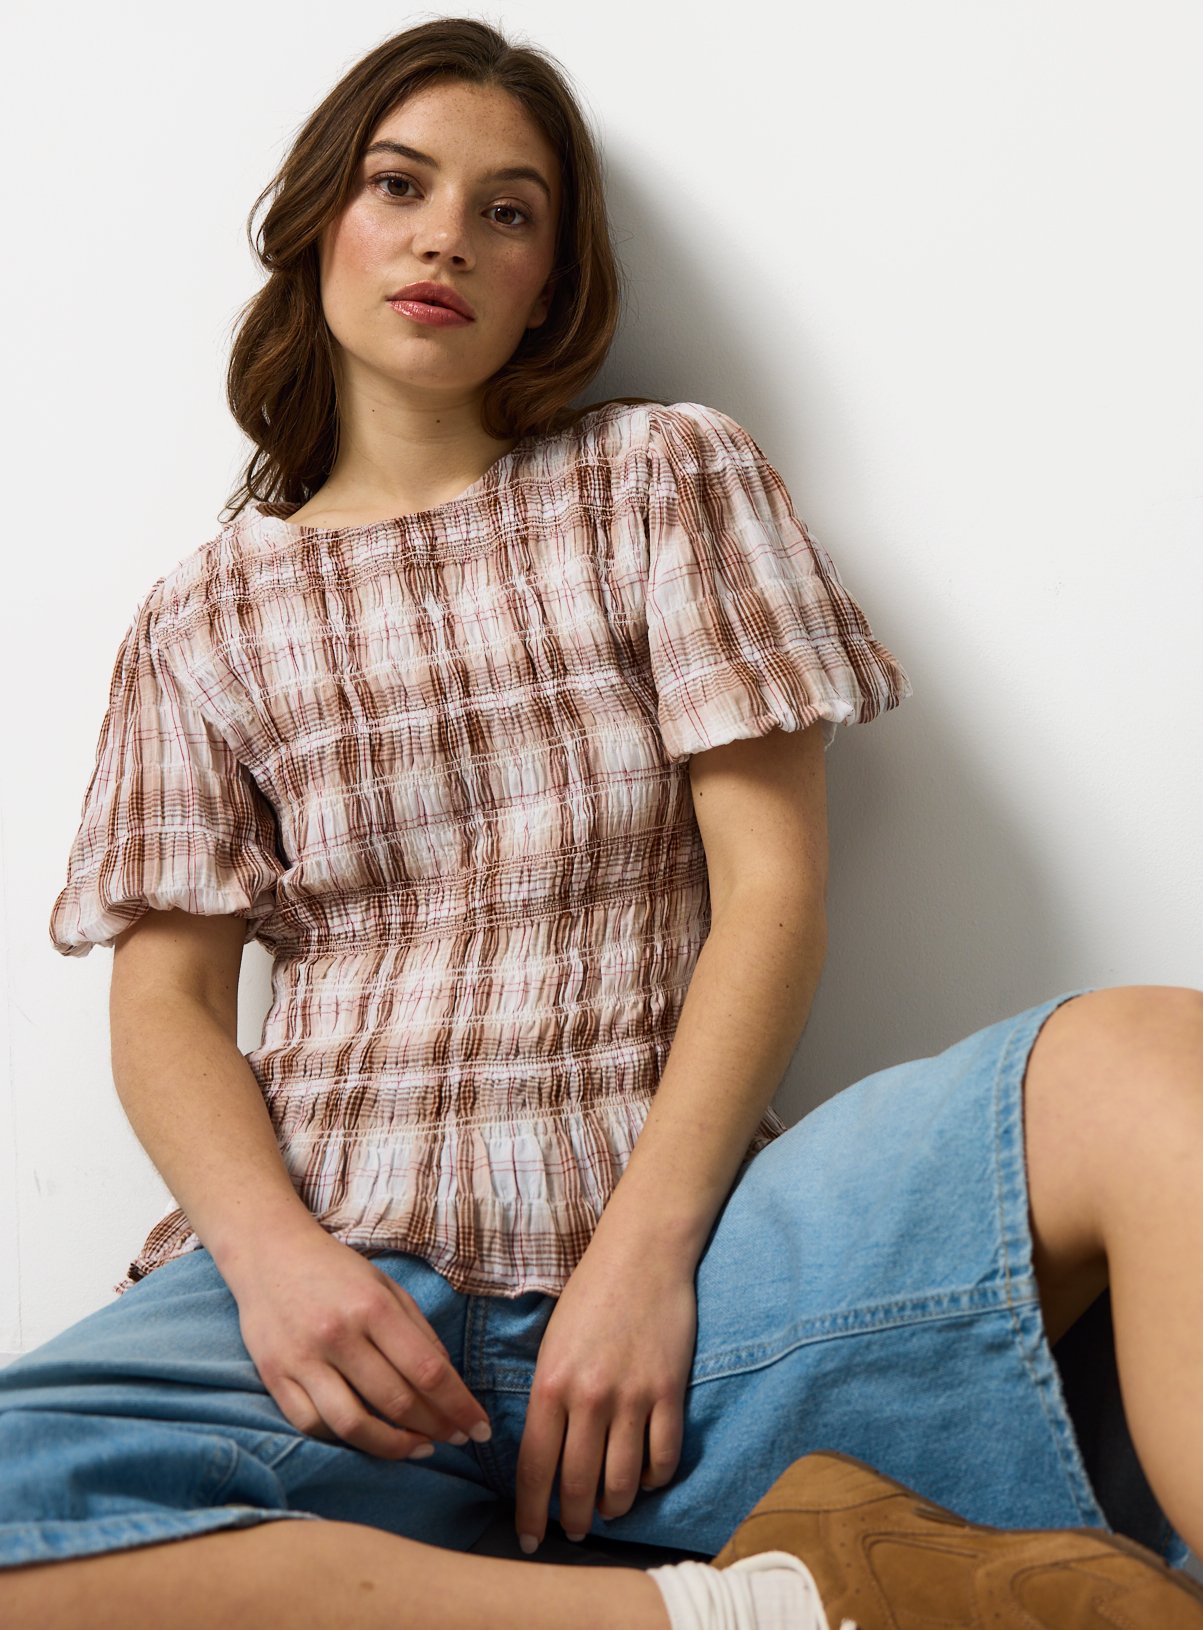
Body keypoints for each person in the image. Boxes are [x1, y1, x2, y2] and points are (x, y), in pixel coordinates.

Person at [3, 16, 1202, 1630]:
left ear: (550, 281)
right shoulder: (201, 614)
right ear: (318, 224)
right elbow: (163, 1002)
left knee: (1152, 1066)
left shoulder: (660, 477)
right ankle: (729, 1612)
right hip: (343, 1297)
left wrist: (643, 1258)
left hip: (698, 1271)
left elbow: (771, 893)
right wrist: (276, 1265)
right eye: (399, 184)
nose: (446, 235)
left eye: (507, 210)